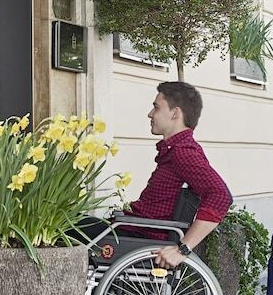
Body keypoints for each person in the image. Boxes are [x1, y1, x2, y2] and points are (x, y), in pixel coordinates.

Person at [76, 82, 232, 269]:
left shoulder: (184, 152)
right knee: (73, 223)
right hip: (134, 231)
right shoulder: (176, 151)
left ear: (175, 113)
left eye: (156, 108)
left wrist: (183, 249)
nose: (150, 114)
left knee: (60, 230)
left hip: (139, 238)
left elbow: (220, 195)